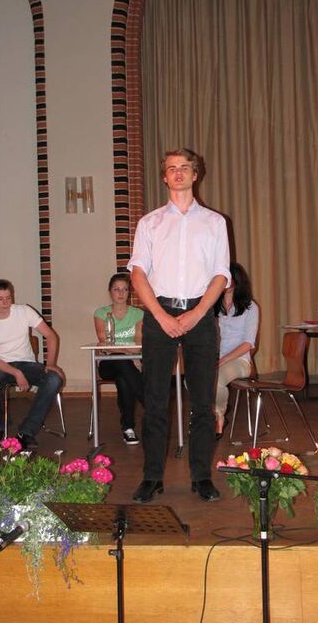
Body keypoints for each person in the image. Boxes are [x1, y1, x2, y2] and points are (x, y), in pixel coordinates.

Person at [127, 147, 230, 503]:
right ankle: (152, 477)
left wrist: (197, 313)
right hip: (160, 314)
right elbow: (138, 274)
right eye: (171, 168)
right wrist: (161, 316)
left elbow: (221, 274)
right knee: (155, 401)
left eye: (185, 167)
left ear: (195, 174)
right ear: (164, 177)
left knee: (202, 403)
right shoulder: (150, 223)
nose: (178, 173)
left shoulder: (215, 223)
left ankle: (201, 477)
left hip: (200, 315)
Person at [0, 279, 65, 450]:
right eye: (0, 299)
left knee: (54, 379)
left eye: (8, 298)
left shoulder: (24, 311)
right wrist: (16, 373)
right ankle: (0, 425)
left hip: (26, 363)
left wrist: (51, 363)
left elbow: (51, 336)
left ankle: (26, 431)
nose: (5, 303)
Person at [94, 273, 144, 445]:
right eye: (117, 289)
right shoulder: (101, 313)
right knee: (122, 361)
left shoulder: (138, 314)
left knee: (124, 379)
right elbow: (105, 344)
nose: (121, 293)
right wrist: (129, 354)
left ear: (129, 292)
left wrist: (129, 353)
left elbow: (138, 343)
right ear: (110, 292)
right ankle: (150, 404)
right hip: (108, 364)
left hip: (131, 363)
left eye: (125, 289)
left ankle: (128, 428)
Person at [214, 262, 259, 439]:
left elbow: (248, 343)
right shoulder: (213, 306)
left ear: (237, 281)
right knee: (192, 380)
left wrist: (223, 360)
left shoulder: (251, 308)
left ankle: (218, 417)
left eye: (227, 277)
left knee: (215, 380)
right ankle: (215, 408)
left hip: (239, 360)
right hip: (216, 358)